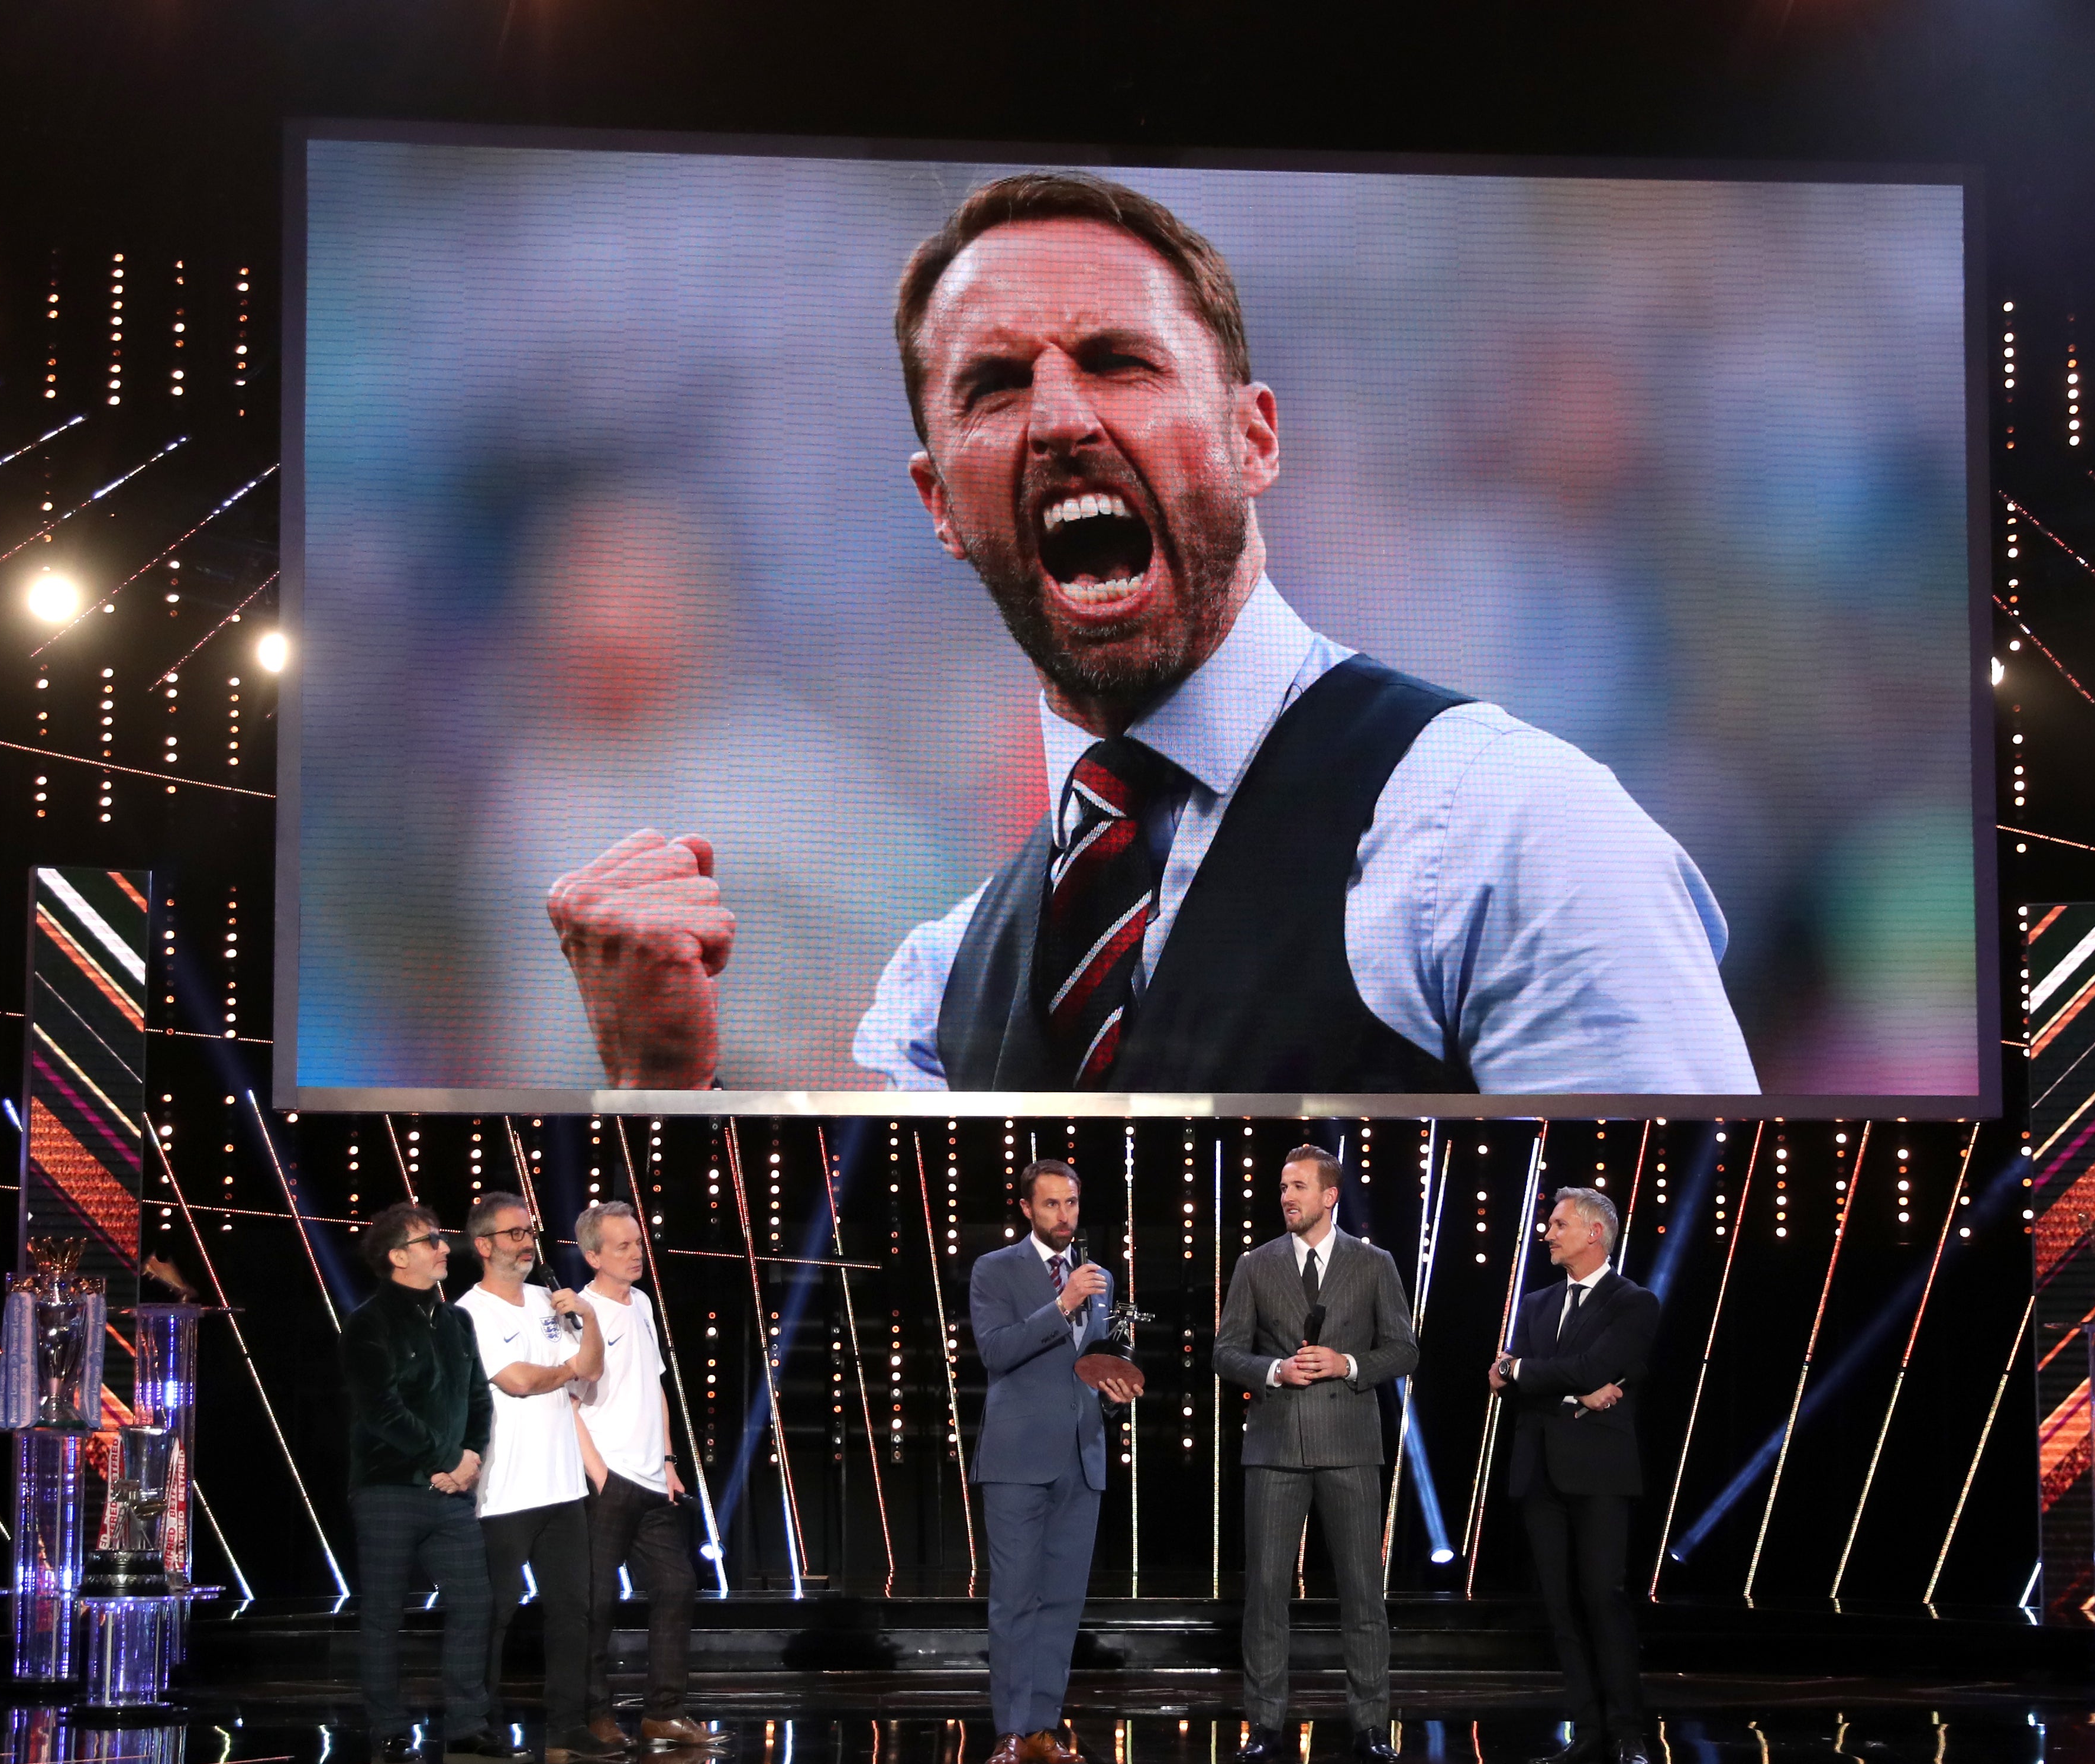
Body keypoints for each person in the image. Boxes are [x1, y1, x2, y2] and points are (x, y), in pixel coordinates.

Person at [544, 169, 1757, 1098]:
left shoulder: (1508, 836)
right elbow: (854, 1390)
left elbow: (1676, 1302)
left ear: (1255, 440)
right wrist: (663, 1086)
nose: (1062, 415)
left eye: (1122, 362)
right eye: (997, 385)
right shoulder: (935, 991)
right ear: (940, 507)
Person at [1213, 1145, 1416, 1764]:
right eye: (1282, 1185)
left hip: (1350, 1447)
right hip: (1274, 1447)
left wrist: (1348, 1363)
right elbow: (1225, 1350)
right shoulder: (1256, 1264)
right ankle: (1266, 1724)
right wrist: (1274, 1368)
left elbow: (1404, 1349)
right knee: (1267, 1592)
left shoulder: (1374, 1263)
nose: (1287, 1196)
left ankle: (1370, 1724)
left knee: (1361, 1592)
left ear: (1330, 1195)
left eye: (1299, 1185)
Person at [968, 1160, 1142, 1764]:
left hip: (1082, 1453)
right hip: (1017, 1458)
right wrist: (1061, 1303)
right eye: (1051, 1205)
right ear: (1027, 1208)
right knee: (1015, 1597)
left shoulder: (1104, 1278)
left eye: (1071, 1203)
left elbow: (1111, 1350)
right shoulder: (996, 1269)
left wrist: (1117, 1381)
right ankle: (1010, 1731)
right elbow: (994, 1350)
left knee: (1063, 1600)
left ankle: (1043, 1726)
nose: (1064, 1215)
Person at [341, 1202, 521, 1764]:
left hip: (452, 1493)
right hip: (389, 1489)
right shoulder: (368, 1321)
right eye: (432, 1241)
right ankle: (390, 1730)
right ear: (398, 1256)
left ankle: (468, 1726)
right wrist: (445, 1456)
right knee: (384, 1612)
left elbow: (478, 1399)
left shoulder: (455, 1321)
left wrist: (468, 1460)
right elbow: (381, 1410)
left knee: (474, 1603)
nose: (446, 1248)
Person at [1490, 1188, 1660, 1764]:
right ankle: (1586, 1734)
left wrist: (1522, 1369)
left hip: (1600, 1472)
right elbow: (1523, 1374)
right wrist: (1542, 1378)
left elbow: (1585, 1367)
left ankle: (1630, 1734)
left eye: (1559, 1223)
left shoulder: (1633, 1301)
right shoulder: (1537, 1302)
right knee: (1560, 1610)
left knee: (1603, 1599)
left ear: (1594, 1233)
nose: (1548, 1231)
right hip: (1539, 1468)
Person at [564, 1200, 722, 1753]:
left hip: (653, 1479)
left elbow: (654, 1384)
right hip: (605, 1477)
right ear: (593, 1255)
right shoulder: (577, 1311)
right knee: (597, 1600)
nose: (637, 1253)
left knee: (676, 1587)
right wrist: (599, 1473)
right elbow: (567, 1401)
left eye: (638, 1242)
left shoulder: (642, 1304)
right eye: (623, 1246)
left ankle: (664, 1714)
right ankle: (593, 1714)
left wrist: (671, 1460)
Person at [456, 1192, 608, 1764]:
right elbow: (516, 1379)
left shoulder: (551, 1299)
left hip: (562, 1488)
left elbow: (590, 1368)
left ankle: (567, 1726)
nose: (526, 1241)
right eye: (514, 1232)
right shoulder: (472, 1310)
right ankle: (481, 1726)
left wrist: (588, 1320)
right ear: (484, 1244)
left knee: (573, 1609)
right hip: (504, 1490)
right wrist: (566, 1369)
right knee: (494, 1612)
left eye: (529, 1231)